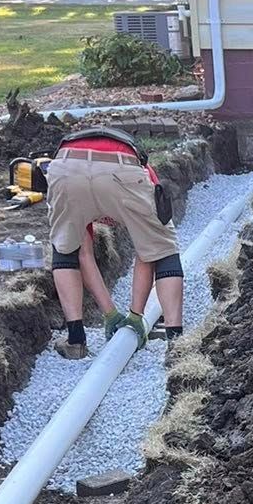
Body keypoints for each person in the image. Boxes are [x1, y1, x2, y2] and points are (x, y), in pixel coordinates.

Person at [42, 127, 184, 360]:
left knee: (64, 249)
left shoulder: (86, 204)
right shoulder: (144, 173)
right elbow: (147, 254)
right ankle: (177, 346)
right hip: (123, 167)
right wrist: (133, 315)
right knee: (164, 248)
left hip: (66, 168)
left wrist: (114, 314)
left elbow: (81, 253)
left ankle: (75, 341)